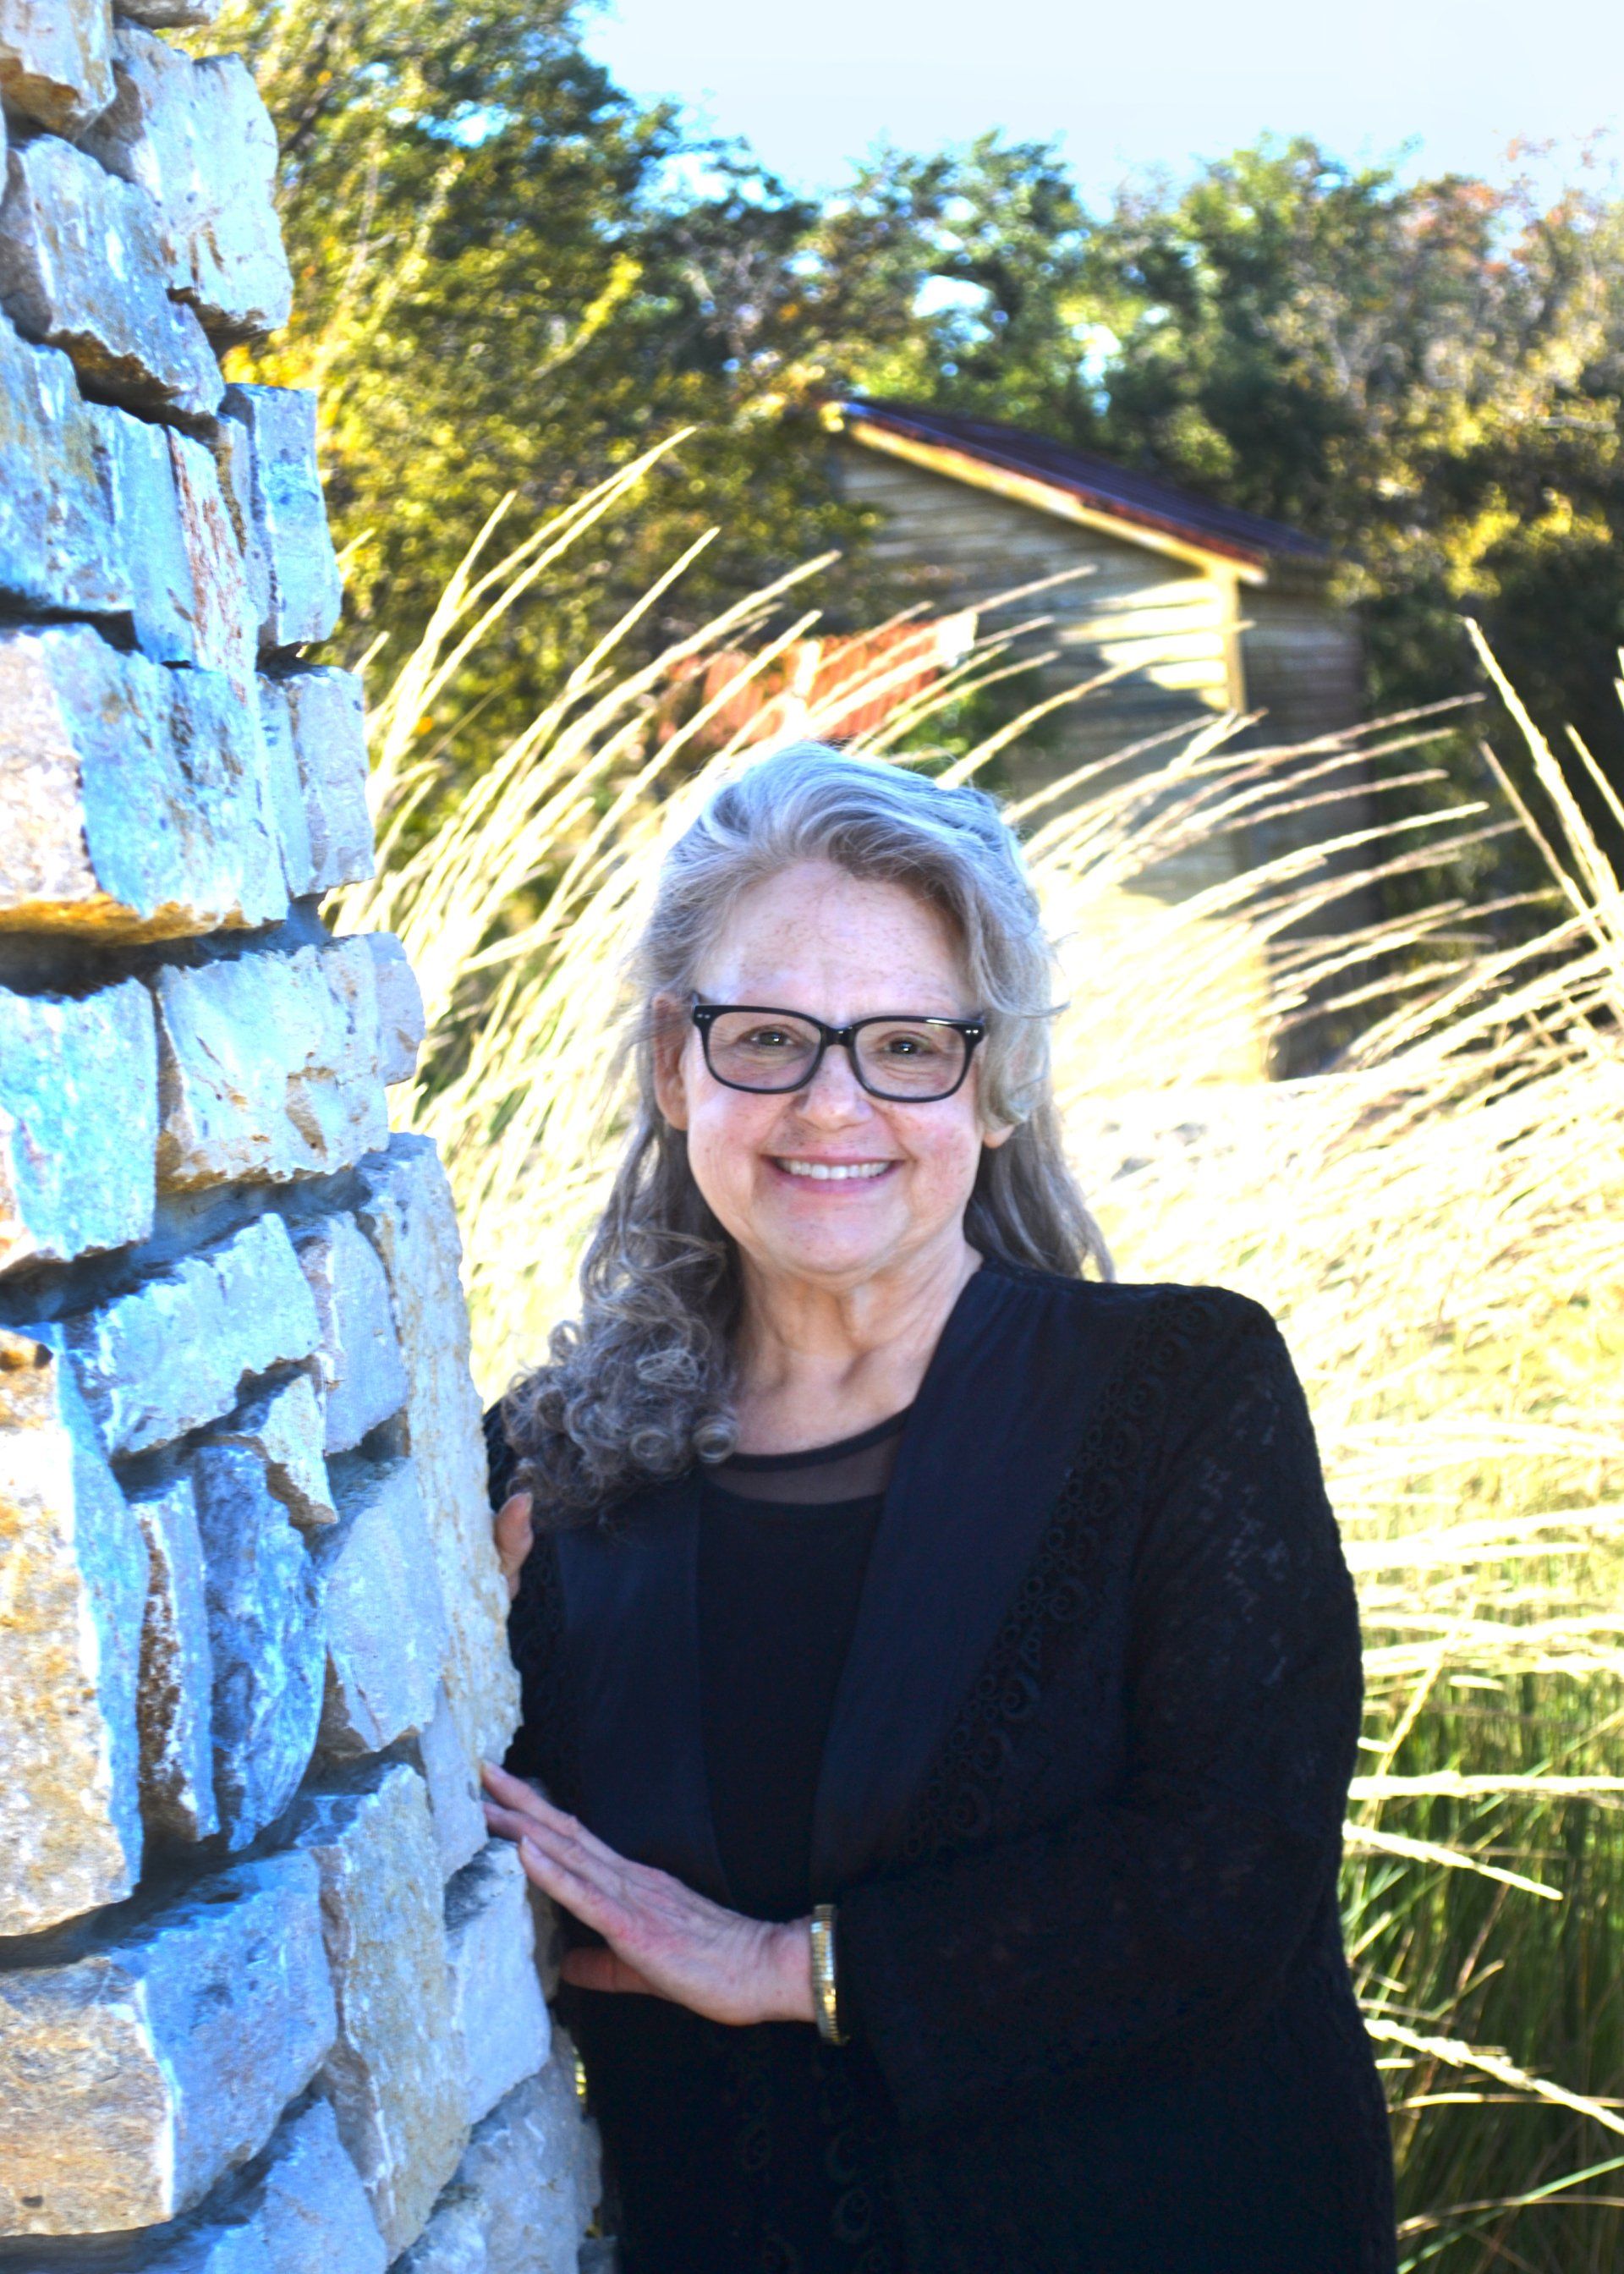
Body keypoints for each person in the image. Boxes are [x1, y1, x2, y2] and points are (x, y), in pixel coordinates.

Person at [480, 744, 1396, 2274]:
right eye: (767, 1036)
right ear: (671, 1061)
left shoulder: (1179, 1391)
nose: (833, 1105)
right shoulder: (544, 1485)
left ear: (996, 1079)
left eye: (907, 1044)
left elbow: (1234, 1875)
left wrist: (794, 1965)